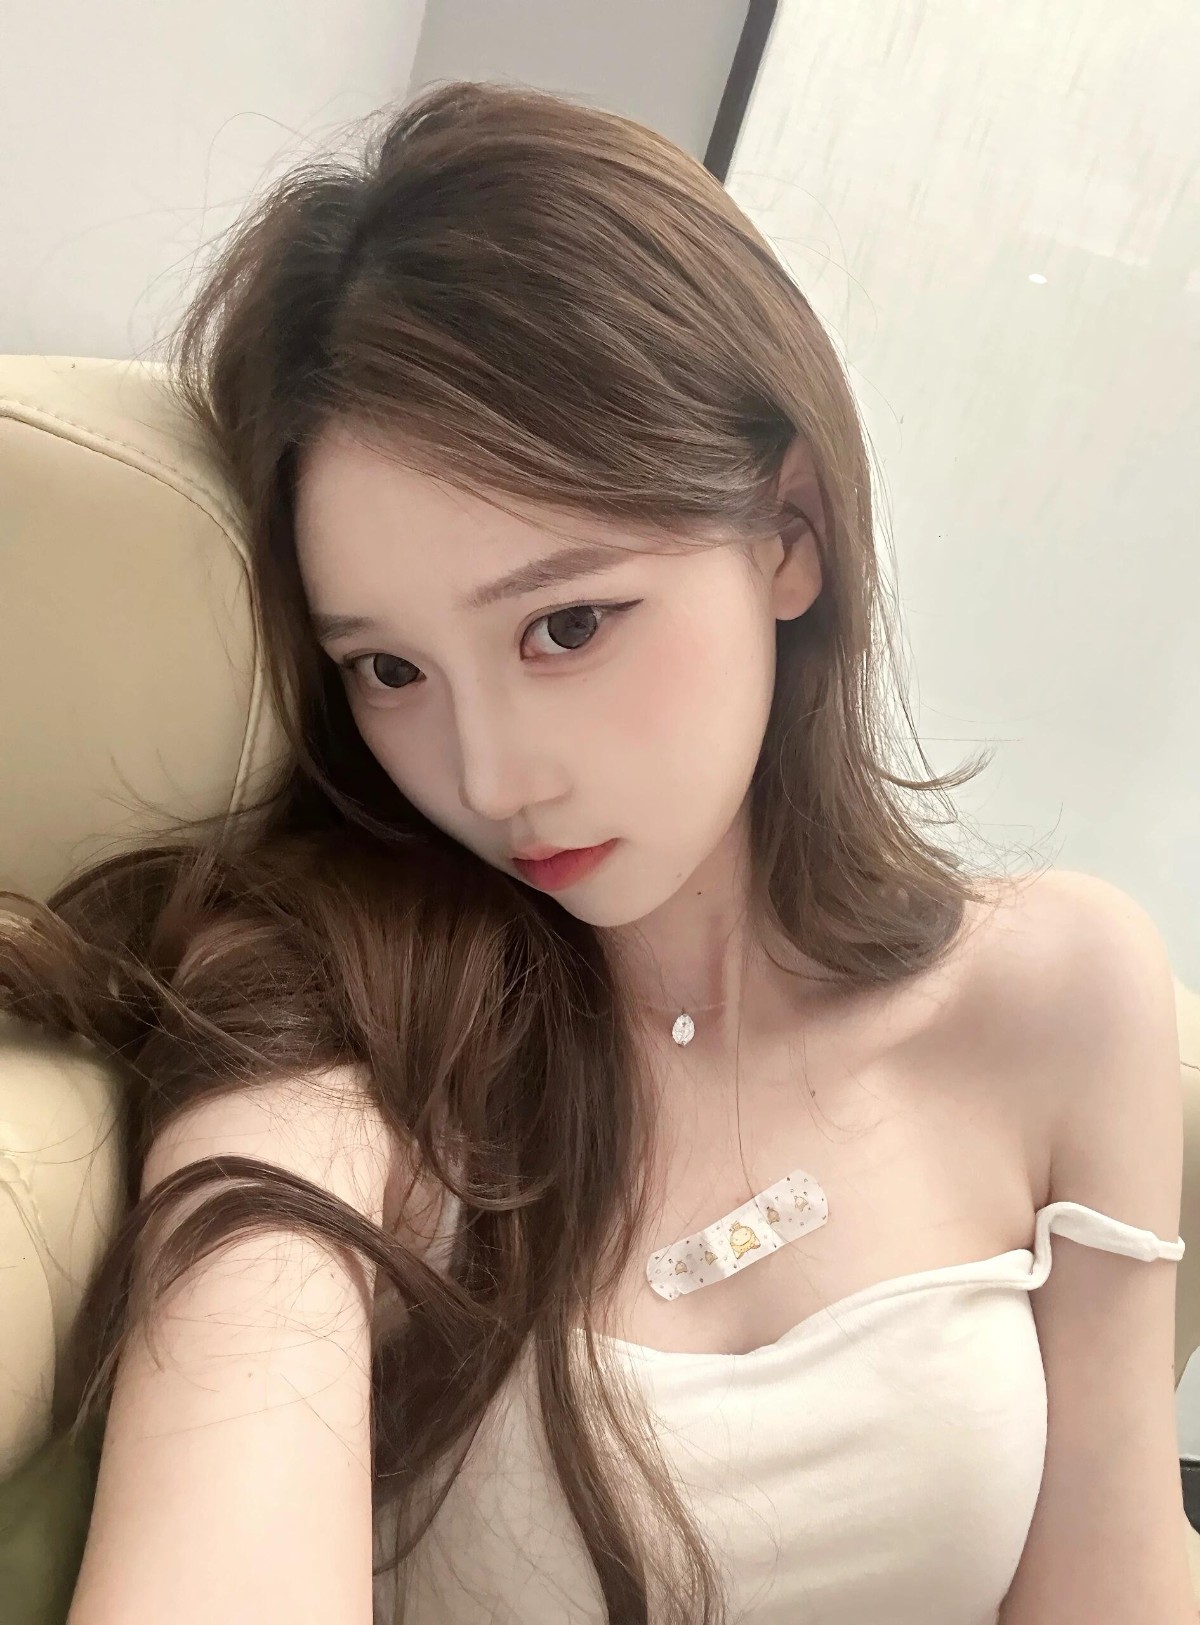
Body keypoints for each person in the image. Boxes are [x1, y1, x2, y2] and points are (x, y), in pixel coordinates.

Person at [0, 79, 1191, 1625]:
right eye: (389, 669)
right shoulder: (341, 1023)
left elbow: (1115, 1570)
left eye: (566, 624)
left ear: (789, 534)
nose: (488, 777)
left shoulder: (1066, 991)